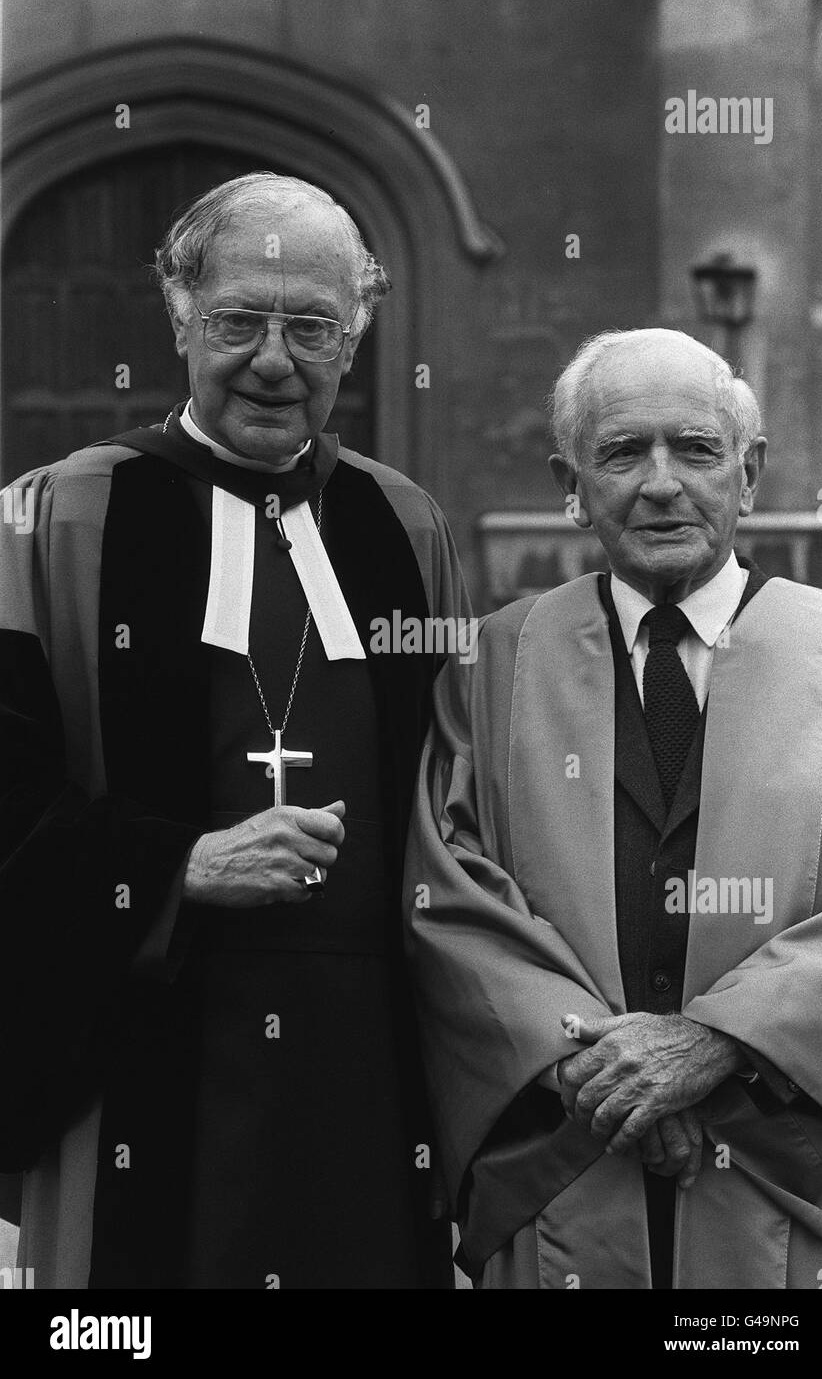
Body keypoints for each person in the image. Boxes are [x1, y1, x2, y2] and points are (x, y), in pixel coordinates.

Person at [0, 172, 470, 1289]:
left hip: (364, 1046)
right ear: (177, 317)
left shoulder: (405, 524)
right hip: (140, 1028)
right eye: (237, 321)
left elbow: (462, 797)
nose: (273, 359)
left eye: (311, 326)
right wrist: (172, 863)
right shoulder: (64, 511)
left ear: (355, 338)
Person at [404, 328, 822, 1289]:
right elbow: (449, 893)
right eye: (620, 452)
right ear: (571, 484)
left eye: (695, 448)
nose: (659, 484)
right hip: (567, 1153)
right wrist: (596, 1072)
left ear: (751, 472)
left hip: (785, 1169)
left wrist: (723, 1042)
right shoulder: (494, 661)